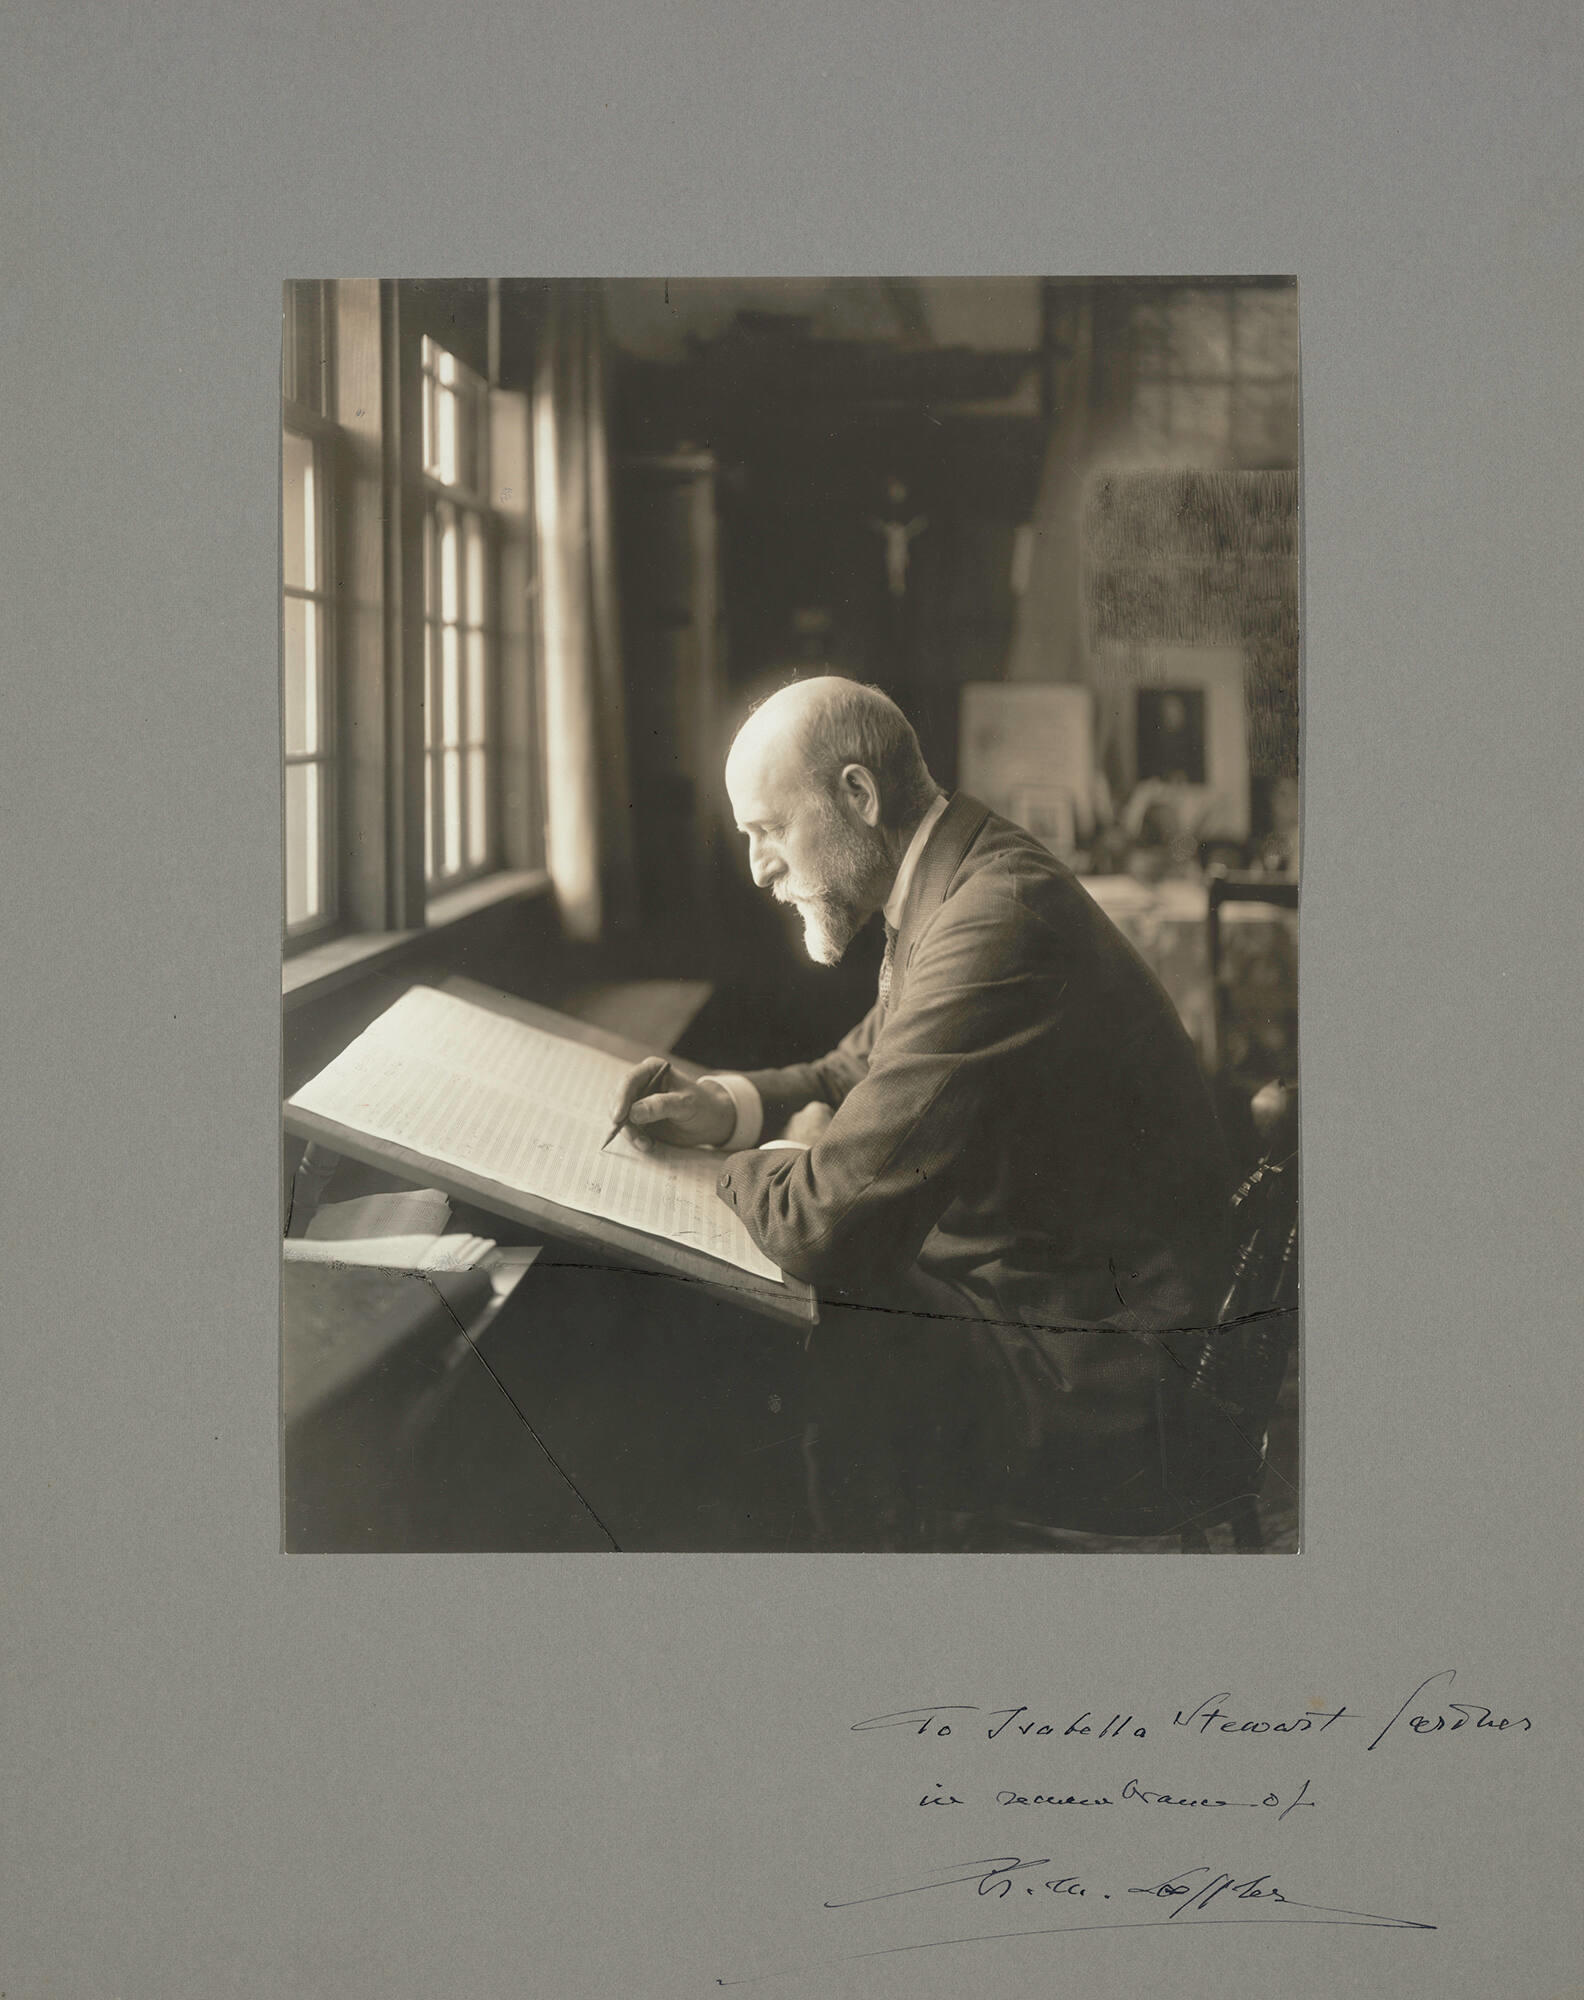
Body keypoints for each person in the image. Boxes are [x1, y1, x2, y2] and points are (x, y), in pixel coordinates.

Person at [612, 677, 1234, 1548]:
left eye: (770, 830)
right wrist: (723, 1108)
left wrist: (722, 1172)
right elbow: (854, 1064)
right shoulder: (956, 877)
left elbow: (823, 1223)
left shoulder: (994, 920)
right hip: (1049, 1308)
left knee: (774, 1337)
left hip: (1102, 1373)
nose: (759, 869)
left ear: (858, 796)